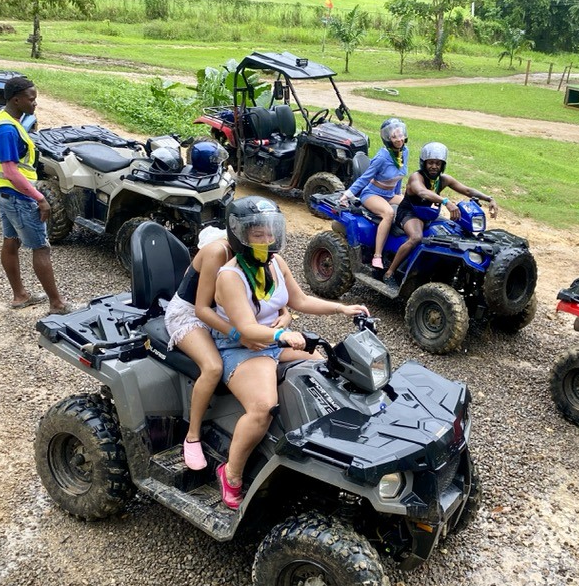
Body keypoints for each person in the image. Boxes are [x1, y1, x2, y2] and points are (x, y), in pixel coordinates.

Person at [208, 196, 369, 509]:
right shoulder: (229, 276)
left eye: (270, 232)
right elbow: (246, 328)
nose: (267, 239)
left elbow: (300, 301)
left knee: (327, 371)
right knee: (262, 407)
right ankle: (231, 473)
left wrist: (342, 308)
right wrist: (283, 334)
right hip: (243, 348)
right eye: (258, 234)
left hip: (274, 342)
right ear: (240, 235)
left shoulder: (275, 263)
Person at [163, 225, 292, 470]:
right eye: (258, 235)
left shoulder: (258, 256)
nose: (266, 241)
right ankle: (192, 435)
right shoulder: (218, 253)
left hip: (226, 313)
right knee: (212, 367)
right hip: (192, 315)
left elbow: (273, 291)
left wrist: (285, 315)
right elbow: (201, 309)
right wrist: (237, 336)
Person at [0, 76, 73, 314]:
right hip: (18, 196)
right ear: (16, 100)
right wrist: (40, 198)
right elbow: (10, 171)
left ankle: (20, 296)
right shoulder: (7, 130)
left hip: (6, 194)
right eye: (31, 98)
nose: (35, 103)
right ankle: (57, 304)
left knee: (11, 241)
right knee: (41, 248)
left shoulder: (6, 120)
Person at [384, 142, 498, 281]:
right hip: (410, 212)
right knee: (416, 237)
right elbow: (422, 192)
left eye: (438, 163)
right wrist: (446, 202)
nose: (434, 166)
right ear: (424, 163)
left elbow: (467, 190)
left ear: (442, 165)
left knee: (455, 231)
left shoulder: (443, 179)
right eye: (430, 163)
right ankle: (389, 273)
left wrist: (489, 198)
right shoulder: (416, 177)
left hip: (429, 214)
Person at [339, 118, 408, 271]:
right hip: (372, 194)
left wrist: (399, 194)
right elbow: (364, 178)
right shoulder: (381, 157)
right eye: (394, 137)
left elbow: (399, 176)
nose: (399, 139)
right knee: (388, 213)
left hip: (390, 194)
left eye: (401, 135)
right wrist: (348, 194)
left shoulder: (404, 152)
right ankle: (377, 256)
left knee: (411, 205)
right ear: (387, 138)